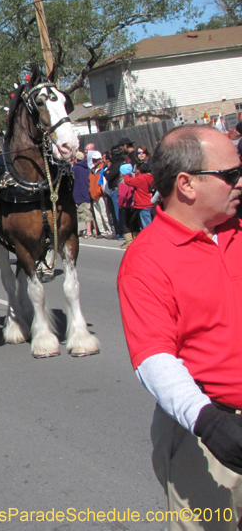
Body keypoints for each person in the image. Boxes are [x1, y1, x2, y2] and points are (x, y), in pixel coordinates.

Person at [118, 125, 242, 531]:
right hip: (211, 432)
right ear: (187, 184)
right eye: (230, 175)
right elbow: (154, 358)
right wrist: (207, 422)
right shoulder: (146, 259)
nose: (240, 182)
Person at [73, 151, 95, 237]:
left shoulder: (75, 169)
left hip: (79, 193)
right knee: (88, 211)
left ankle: (89, 232)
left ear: (76, 159)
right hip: (87, 192)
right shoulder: (87, 168)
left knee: (86, 213)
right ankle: (91, 230)